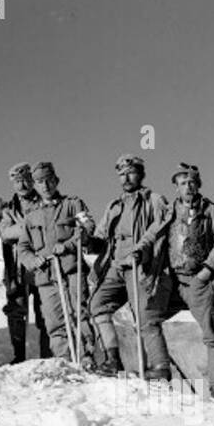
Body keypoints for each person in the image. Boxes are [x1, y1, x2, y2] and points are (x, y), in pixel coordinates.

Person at [82, 154, 173, 378]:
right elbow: (101, 240)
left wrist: (146, 255)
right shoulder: (114, 206)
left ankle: (161, 367)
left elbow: (161, 231)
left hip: (141, 265)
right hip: (115, 265)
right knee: (97, 305)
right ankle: (113, 360)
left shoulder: (155, 200)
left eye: (130, 172)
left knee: (146, 317)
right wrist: (86, 239)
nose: (126, 178)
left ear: (141, 173)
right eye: (121, 174)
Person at [17, 160, 97, 368]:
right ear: (34, 184)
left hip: (71, 270)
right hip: (46, 276)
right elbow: (23, 247)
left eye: (49, 181)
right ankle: (65, 361)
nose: (45, 186)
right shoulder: (31, 215)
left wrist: (69, 245)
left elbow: (88, 227)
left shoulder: (73, 204)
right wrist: (33, 261)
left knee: (80, 314)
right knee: (54, 322)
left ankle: (86, 358)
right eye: (39, 182)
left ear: (56, 181)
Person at [161, 162, 214, 397]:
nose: (188, 187)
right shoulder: (168, 211)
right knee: (149, 320)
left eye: (191, 182)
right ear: (176, 188)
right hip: (173, 282)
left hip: (199, 280)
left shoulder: (212, 210)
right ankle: (161, 375)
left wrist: (207, 271)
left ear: (198, 184)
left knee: (213, 334)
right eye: (182, 183)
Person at [0, 163, 48, 364]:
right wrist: (31, 227)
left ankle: (48, 355)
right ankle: (19, 356)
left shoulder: (45, 202)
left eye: (26, 179)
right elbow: (5, 233)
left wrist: (21, 230)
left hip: (43, 263)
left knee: (46, 310)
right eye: (18, 181)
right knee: (16, 311)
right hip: (17, 266)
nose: (22, 184)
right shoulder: (8, 208)